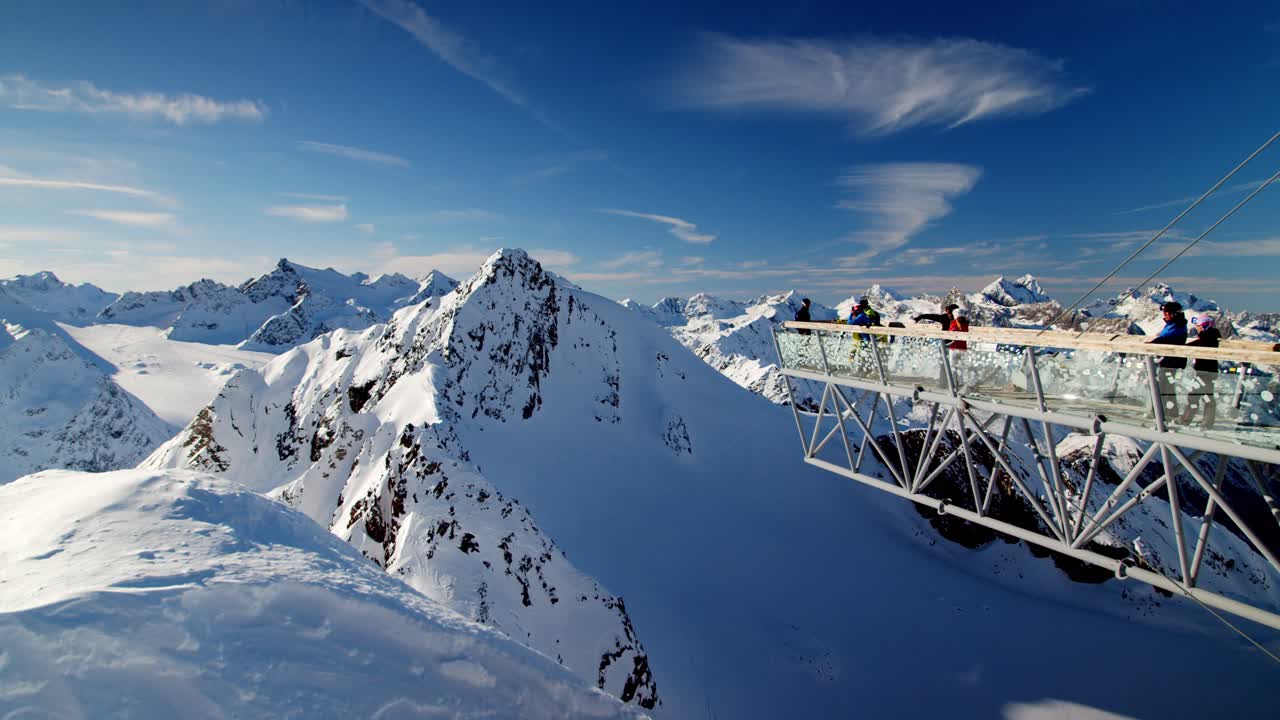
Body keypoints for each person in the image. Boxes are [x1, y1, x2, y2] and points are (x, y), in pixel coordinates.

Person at [1148, 300, 1189, 419]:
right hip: (1168, 360)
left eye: (1166, 313)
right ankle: (1168, 411)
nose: (1164, 316)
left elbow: (1167, 339)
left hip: (1172, 361)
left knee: (1165, 386)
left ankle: (1164, 412)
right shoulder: (1173, 324)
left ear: (1173, 314)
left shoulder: (1178, 325)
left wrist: (1152, 344)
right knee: (1165, 385)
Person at [1182, 315, 1220, 428]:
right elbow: (1197, 344)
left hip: (1205, 372)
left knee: (1194, 396)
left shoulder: (1208, 337)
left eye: (1198, 326)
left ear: (1204, 326)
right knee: (1206, 397)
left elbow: (1202, 344)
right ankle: (1207, 422)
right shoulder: (1209, 336)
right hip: (1207, 372)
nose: (1197, 328)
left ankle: (1186, 419)